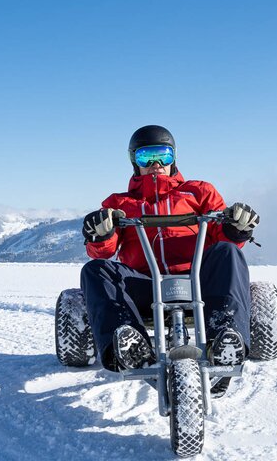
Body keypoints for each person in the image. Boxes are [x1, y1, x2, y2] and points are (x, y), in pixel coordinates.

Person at [80, 125, 260, 373]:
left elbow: (224, 236)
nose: (156, 163)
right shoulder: (119, 203)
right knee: (95, 270)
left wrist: (237, 227)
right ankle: (129, 344)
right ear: (134, 161)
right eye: (146, 156)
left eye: (163, 155)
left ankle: (225, 336)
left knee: (227, 253)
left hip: (198, 280)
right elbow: (103, 252)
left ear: (173, 157)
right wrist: (101, 234)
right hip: (145, 284)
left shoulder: (199, 192)